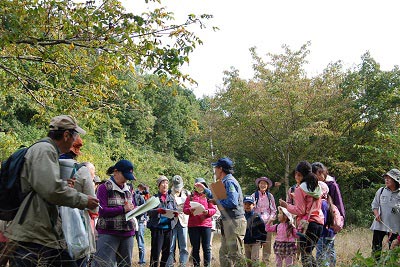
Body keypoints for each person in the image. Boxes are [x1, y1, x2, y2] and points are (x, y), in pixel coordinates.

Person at [5, 115, 99, 267]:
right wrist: (83, 200)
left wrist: (62, 184)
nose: (75, 141)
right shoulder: (45, 150)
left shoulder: (48, 150)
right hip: (31, 234)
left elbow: (43, 186)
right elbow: (51, 191)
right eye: (75, 136)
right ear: (66, 135)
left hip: (44, 233)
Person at [59, 137, 98, 267]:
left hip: (51, 226)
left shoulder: (50, 165)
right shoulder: (82, 171)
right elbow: (93, 206)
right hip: (76, 228)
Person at [201, 157, 246, 267]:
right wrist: (205, 190)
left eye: (215, 167)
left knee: (236, 254)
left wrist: (216, 202)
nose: (214, 170)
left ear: (220, 169)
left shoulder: (229, 182)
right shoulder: (224, 181)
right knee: (224, 254)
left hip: (234, 222)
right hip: (228, 221)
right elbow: (220, 197)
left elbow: (232, 202)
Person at [279, 161, 323, 267]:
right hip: (319, 223)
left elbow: (300, 211)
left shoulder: (300, 189)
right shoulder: (316, 186)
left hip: (307, 225)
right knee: (308, 253)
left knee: (305, 256)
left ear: (299, 174)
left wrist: (286, 206)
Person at [94, 159, 137, 267]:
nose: (126, 180)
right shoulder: (104, 188)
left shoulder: (128, 189)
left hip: (127, 233)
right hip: (108, 233)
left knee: (125, 264)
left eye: (128, 178)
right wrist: (122, 209)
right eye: (125, 176)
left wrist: (135, 209)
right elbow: (102, 210)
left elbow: (132, 206)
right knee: (103, 264)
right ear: (116, 172)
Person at [183, 177, 216, 267]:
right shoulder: (190, 197)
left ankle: (207, 265)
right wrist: (190, 210)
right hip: (193, 225)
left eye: (201, 185)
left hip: (206, 225)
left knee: (207, 248)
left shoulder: (208, 196)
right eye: (197, 185)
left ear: (204, 185)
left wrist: (207, 212)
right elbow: (185, 209)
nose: (199, 187)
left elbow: (213, 209)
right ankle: (196, 265)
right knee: (195, 248)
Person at [147, 176, 178, 267]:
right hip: (157, 228)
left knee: (167, 252)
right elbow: (148, 212)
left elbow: (175, 210)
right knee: (155, 252)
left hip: (169, 228)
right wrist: (157, 211)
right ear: (159, 185)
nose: (165, 185)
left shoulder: (171, 198)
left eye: (167, 183)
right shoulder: (154, 198)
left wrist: (175, 214)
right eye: (163, 183)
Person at [370, 168, 400, 260]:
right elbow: (374, 205)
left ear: (395, 180)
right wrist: (376, 214)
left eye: (389, 178)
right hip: (380, 225)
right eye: (385, 178)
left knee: (393, 251)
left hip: (395, 228)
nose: (386, 180)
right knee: (376, 249)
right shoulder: (381, 190)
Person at [251, 176, 277, 264]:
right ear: (258, 185)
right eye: (261, 183)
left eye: (265, 184)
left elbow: (274, 210)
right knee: (256, 243)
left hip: (268, 223)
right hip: (257, 223)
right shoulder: (254, 195)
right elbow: (250, 208)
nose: (263, 185)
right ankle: (256, 262)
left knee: (267, 243)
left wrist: (271, 218)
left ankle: (265, 262)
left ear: (267, 185)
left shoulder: (270, 196)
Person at [167, 175, 190, 267]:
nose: (178, 189)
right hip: (172, 221)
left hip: (183, 221)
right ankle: (169, 263)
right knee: (171, 245)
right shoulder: (169, 193)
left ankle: (183, 264)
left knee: (183, 245)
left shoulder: (187, 193)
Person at [316, 181, 337, 267]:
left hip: (323, 233)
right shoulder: (328, 203)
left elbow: (322, 220)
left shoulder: (321, 203)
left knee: (321, 256)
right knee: (330, 252)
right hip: (331, 233)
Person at [243, 196, 267, 267]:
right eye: (246, 204)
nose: (247, 206)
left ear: (253, 205)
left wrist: (263, 240)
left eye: (249, 204)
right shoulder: (242, 216)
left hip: (256, 241)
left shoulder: (257, 217)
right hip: (246, 242)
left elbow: (263, 229)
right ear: (243, 205)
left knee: (254, 259)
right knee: (248, 261)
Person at [133, 184, 148, 266]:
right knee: (130, 242)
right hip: (134, 221)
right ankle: (141, 261)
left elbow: (144, 208)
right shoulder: (132, 196)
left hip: (140, 221)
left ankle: (142, 261)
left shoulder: (139, 197)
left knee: (140, 243)